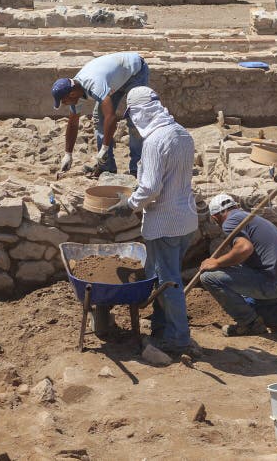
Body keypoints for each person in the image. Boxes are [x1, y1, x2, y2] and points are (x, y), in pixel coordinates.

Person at [108, 86, 198, 354]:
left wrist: (130, 205)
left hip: (165, 223)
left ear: (141, 112)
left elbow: (149, 189)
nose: (133, 123)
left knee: (168, 282)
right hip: (186, 220)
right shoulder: (182, 133)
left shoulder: (154, 142)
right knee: (161, 276)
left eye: (133, 116)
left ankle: (179, 338)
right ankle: (162, 326)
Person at [199, 194, 277, 337]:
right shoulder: (248, 218)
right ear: (235, 206)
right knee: (246, 305)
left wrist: (217, 262)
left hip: (273, 282)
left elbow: (244, 249)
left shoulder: (230, 221)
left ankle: (249, 324)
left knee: (208, 277)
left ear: (215, 217)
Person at [52, 52, 149, 177]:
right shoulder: (75, 90)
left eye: (64, 101)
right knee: (99, 118)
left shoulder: (95, 85)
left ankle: (137, 169)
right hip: (115, 77)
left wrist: (104, 147)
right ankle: (106, 167)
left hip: (135, 71)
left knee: (135, 119)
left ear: (71, 94)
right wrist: (68, 154)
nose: (65, 104)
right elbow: (72, 124)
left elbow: (111, 117)